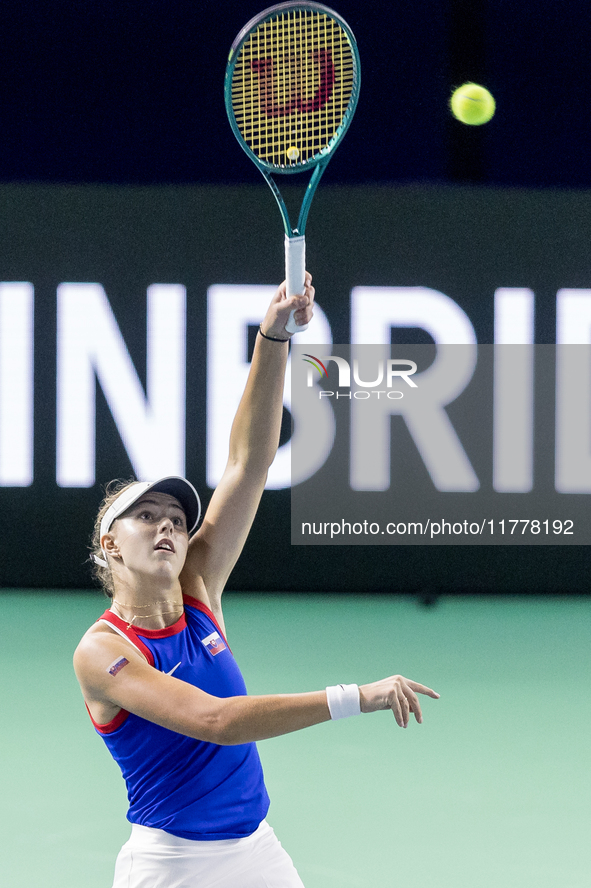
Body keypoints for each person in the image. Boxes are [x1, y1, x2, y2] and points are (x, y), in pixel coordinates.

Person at [73, 276, 440, 888]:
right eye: (146, 517)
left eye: (175, 520)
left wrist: (273, 337)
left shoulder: (199, 593)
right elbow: (218, 721)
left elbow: (250, 462)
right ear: (110, 543)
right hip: (171, 867)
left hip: (257, 853)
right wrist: (357, 695)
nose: (166, 527)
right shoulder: (101, 652)